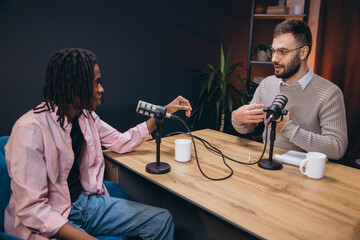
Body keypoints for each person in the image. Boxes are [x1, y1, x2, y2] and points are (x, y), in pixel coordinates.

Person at [4, 48, 192, 240]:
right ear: (73, 85)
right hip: (53, 215)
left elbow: (120, 141)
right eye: (96, 83)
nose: (101, 89)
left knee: (162, 220)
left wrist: (164, 111)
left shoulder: (86, 117)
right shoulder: (29, 129)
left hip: (85, 204)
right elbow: (33, 209)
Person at [232, 19, 347, 160]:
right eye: (273, 51)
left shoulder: (330, 93)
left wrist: (288, 129)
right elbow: (247, 128)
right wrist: (238, 118)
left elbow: (337, 148)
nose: (274, 59)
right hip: (266, 167)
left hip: (306, 175)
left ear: (303, 52)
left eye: (283, 52)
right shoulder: (266, 84)